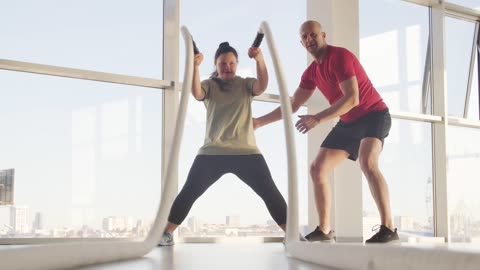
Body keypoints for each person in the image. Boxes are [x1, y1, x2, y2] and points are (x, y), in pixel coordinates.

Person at [253, 20, 399, 244]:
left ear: (323, 35)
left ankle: (388, 229)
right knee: (317, 168)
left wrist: (318, 118)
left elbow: (352, 98)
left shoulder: (340, 57)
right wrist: (260, 122)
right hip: (349, 121)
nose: (309, 40)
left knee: (368, 163)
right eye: (305, 37)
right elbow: (292, 104)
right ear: (301, 43)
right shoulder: (311, 73)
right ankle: (324, 231)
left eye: (313, 35)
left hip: (373, 115)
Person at [158, 41, 287, 246]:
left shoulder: (245, 84)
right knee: (189, 191)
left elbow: (262, 86)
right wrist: (195, 66)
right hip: (212, 152)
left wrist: (259, 58)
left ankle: (291, 234)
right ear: (216, 65)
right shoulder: (210, 86)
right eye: (222, 63)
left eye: (231, 63)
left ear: (236, 64)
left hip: (246, 151)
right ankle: (166, 233)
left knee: (269, 191)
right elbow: (197, 93)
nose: (227, 67)